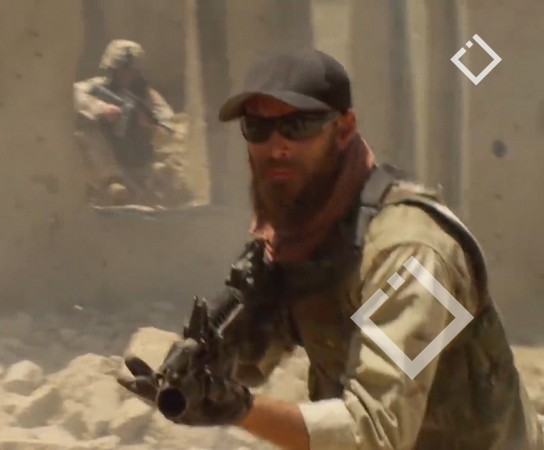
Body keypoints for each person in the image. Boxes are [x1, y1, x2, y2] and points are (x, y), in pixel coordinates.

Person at [117, 48, 544, 449]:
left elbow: (375, 432)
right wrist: (205, 367)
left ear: (343, 129)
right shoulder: (303, 235)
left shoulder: (410, 251)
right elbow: (252, 362)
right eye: (258, 128)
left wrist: (239, 410)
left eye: (298, 126)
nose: (277, 147)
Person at [73, 39, 193, 207]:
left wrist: (151, 124)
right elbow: (73, 95)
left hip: (136, 159)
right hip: (105, 159)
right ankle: (110, 182)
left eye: (131, 71)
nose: (127, 75)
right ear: (111, 69)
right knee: (84, 130)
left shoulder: (147, 96)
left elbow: (169, 124)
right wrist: (100, 108)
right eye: (122, 70)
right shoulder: (94, 87)